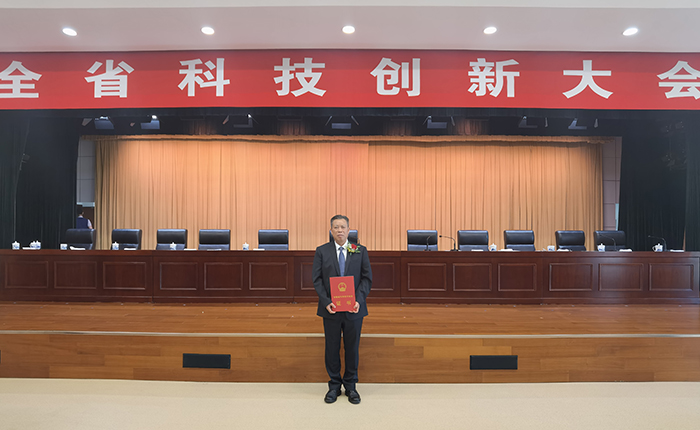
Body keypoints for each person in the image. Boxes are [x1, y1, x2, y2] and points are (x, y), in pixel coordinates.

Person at [312, 214, 372, 405]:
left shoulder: (359, 250)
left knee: (352, 347)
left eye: (343, 227)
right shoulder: (322, 251)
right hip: (331, 309)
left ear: (348, 230)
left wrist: (359, 300)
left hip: (354, 309)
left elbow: (366, 278)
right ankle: (334, 386)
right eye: (336, 227)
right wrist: (326, 301)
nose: (339, 230)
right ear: (331, 230)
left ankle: (351, 386)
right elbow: (317, 279)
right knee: (332, 347)